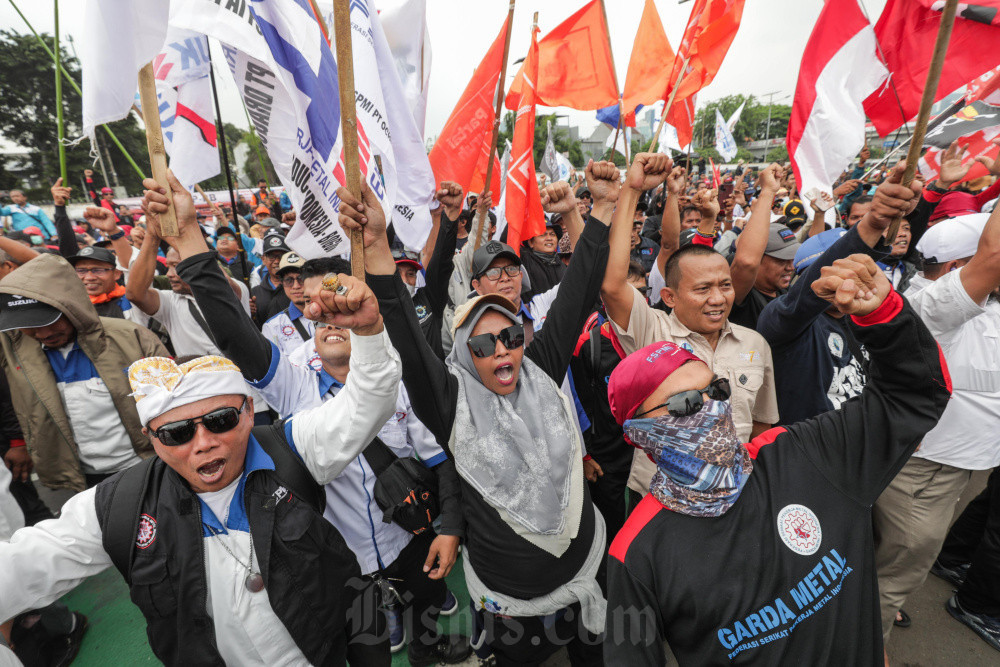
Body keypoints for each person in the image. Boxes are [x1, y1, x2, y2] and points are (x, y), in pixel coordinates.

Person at [337, 149, 628, 664]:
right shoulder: (448, 401)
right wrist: (379, 245)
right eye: (483, 345)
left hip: (586, 570)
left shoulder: (539, 367)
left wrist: (602, 208)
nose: (502, 351)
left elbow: (578, 290)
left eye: (511, 336)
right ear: (463, 355)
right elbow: (404, 331)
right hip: (512, 600)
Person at [0, 295, 403, 667]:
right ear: (151, 437)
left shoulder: (292, 451)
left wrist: (367, 332)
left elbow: (368, 402)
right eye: (178, 433)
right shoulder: (117, 508)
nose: (204, 444)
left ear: (248, 411)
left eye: (220, 420)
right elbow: (23, 564)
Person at [604, 252, 952, 665]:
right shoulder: (636, 553)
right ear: (642, 435)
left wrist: (884, 316)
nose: (712, 410)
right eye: (684, 404)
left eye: (716, 391)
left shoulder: (804, 454)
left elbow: (914, 396)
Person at [601, 154, 780, 497]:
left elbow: (761, 426)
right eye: (702, 289)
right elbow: (612, 285)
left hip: (734, 496)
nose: (718, 298)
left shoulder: (754, 343)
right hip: (657, 498)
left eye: (724, 286)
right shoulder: (652, 333)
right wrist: (632, 192)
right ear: (668, 297)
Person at [873, 209, 1000, 650]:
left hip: (952, 473)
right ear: (955, 269)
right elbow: (994, 255)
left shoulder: (988, 308)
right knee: (893, 575)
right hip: (921, 475)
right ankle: (862, 647)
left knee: (895, 570)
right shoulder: (930, 307)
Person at [757, 161, 925, 425]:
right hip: (813, 457)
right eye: (833, 271)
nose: (847, 279)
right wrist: (873, 223)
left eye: (855, 268)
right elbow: (803, 298)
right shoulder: (782, 322)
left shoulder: (865, 318)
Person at [0, 253, 167, 490]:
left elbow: (174, 402)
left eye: (51, 320)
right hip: (82, 483)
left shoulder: (132, 338)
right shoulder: (13, 347)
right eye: (30, 325)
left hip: (147, 468)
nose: (43, 333)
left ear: (73, 305)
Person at [261, 252, 312, 358]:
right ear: (282, 283)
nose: (296, 286)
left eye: (301, 279)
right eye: (289, 280)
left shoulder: (331, 316)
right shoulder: (273, 327)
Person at [250, 232, 291, 321]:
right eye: (272, 256)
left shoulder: (297, 288)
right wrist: (250, 313)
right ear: (263, 259)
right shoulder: (255, 293)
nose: (276, 261)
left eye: (281, 256)